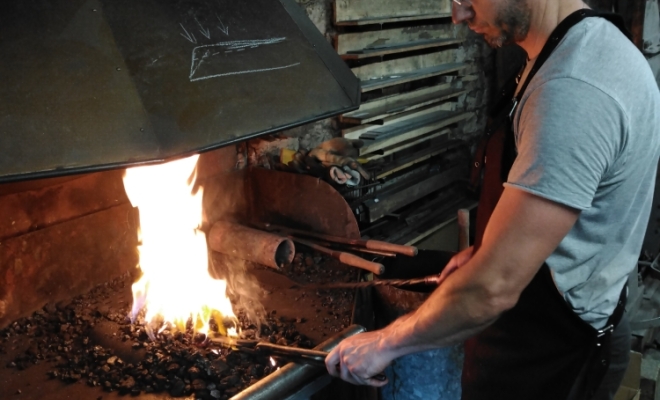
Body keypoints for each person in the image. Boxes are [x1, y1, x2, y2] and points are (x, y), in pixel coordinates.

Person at [325, 0, 660, 399]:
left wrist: (384, 345)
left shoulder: (573, 88)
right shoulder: (577, 45)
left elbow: (493, 289)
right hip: (546, 318)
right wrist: (491, 251)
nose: (458, 14)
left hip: (553, 356)